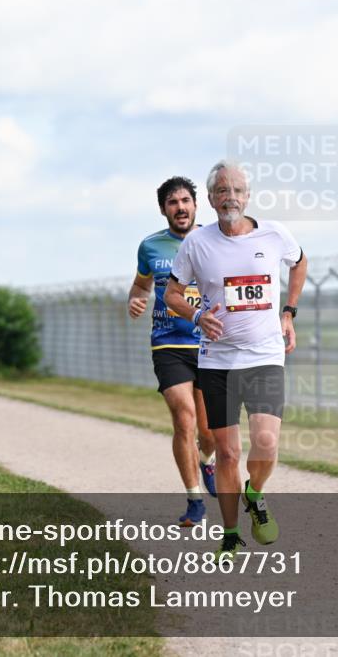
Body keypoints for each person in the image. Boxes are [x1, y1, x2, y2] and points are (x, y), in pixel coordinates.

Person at [164, 160, 308, 560]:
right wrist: (196, 316)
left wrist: (289, 312)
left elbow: (299, 264)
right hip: (217, 362)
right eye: (222, 191)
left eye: (238, 191)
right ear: (210, 199)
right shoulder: (197, 243)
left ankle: (255, 494)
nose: (231, 198)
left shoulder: (275, 233)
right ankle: (230, 534)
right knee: (227, 453)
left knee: (265, 442)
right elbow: (171, 294)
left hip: (265, 355)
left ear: (248, 196)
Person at [129, 176, 218, 527]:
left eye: (185, 201)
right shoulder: (150, 246)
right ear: (163, 209)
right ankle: (194, 500)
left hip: (210, 345)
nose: (180, 207)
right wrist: (136, 300)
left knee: (209, 433)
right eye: (172, 202)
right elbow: (140, 285)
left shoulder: (215, 241)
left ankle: (206, 459)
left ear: (196, 205)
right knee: (184, 419)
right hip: (168, 344)